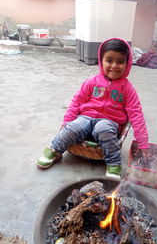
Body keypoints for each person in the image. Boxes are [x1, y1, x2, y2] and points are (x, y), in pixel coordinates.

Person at [36, 37, 150, 177]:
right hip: (86, 118)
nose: (114, 66)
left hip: (109, 123)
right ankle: (55, 150)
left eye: (120, 62)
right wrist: (66, 122)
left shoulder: (128, 89)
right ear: (101, 61)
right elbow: (76, 102)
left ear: (128, 64)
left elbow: (136, 114)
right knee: (73, 126)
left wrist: (142, 143)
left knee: (103, 128)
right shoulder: (92, 82)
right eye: (109, 60)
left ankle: (113, 163)